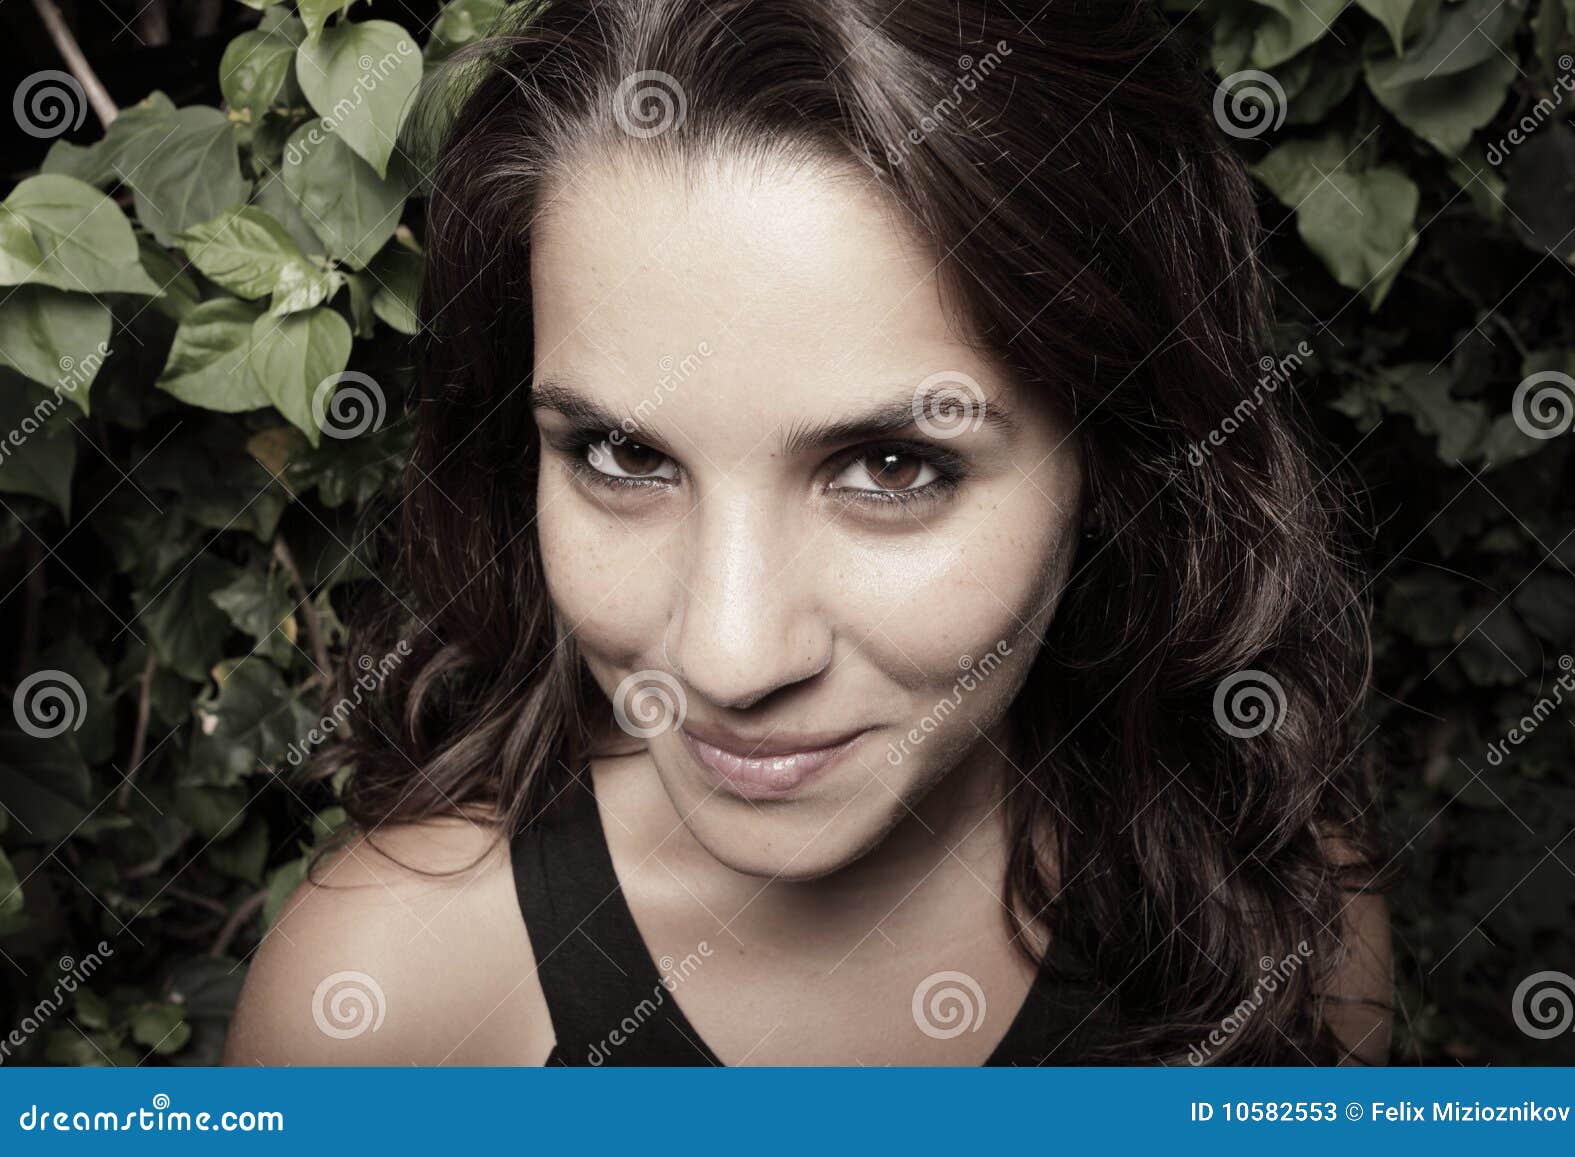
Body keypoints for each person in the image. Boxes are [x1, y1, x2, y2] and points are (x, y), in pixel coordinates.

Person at [224, 0, 1392, 1067]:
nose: (729, 659)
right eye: (623, 456)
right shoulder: (382, 999)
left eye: (890, 467)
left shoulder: (1278, 901)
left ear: (1121, 453)